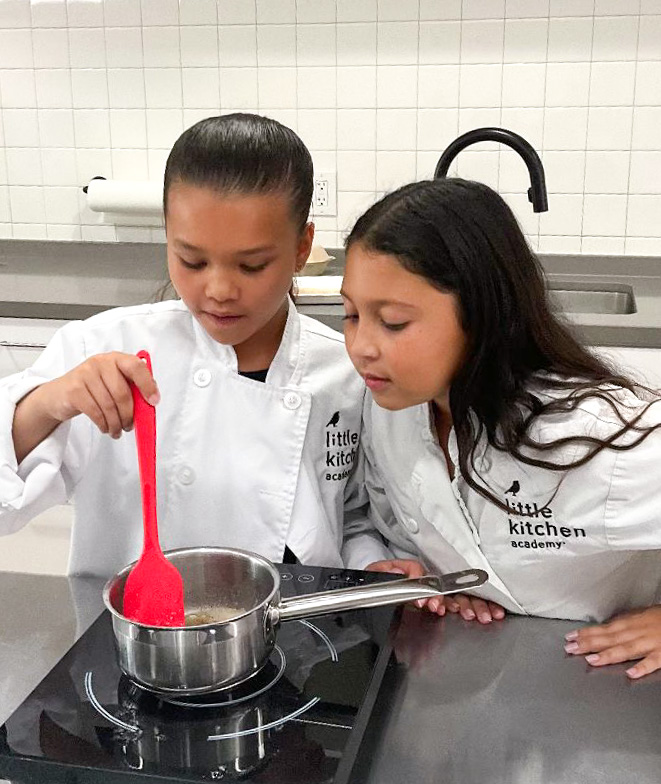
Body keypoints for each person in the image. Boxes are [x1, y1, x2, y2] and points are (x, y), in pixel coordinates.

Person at [0, 113, 397, 581]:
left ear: (301, 247)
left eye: (252, 265)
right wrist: (48, 403)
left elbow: (352, 519)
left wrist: (376, 565)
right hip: (130, 635)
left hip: (302, 631)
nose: (219, 290)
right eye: (192, 260)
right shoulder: (104, 347)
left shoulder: (347, 372)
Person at [340, 177, 661, 677]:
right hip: (489, 673)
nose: (360, 345)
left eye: (394, 322)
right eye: (351, 315)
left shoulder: (594, 437)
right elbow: (384, 519)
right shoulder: (391, 410)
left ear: (480, 314)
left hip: (613, 687)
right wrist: (426, 573)